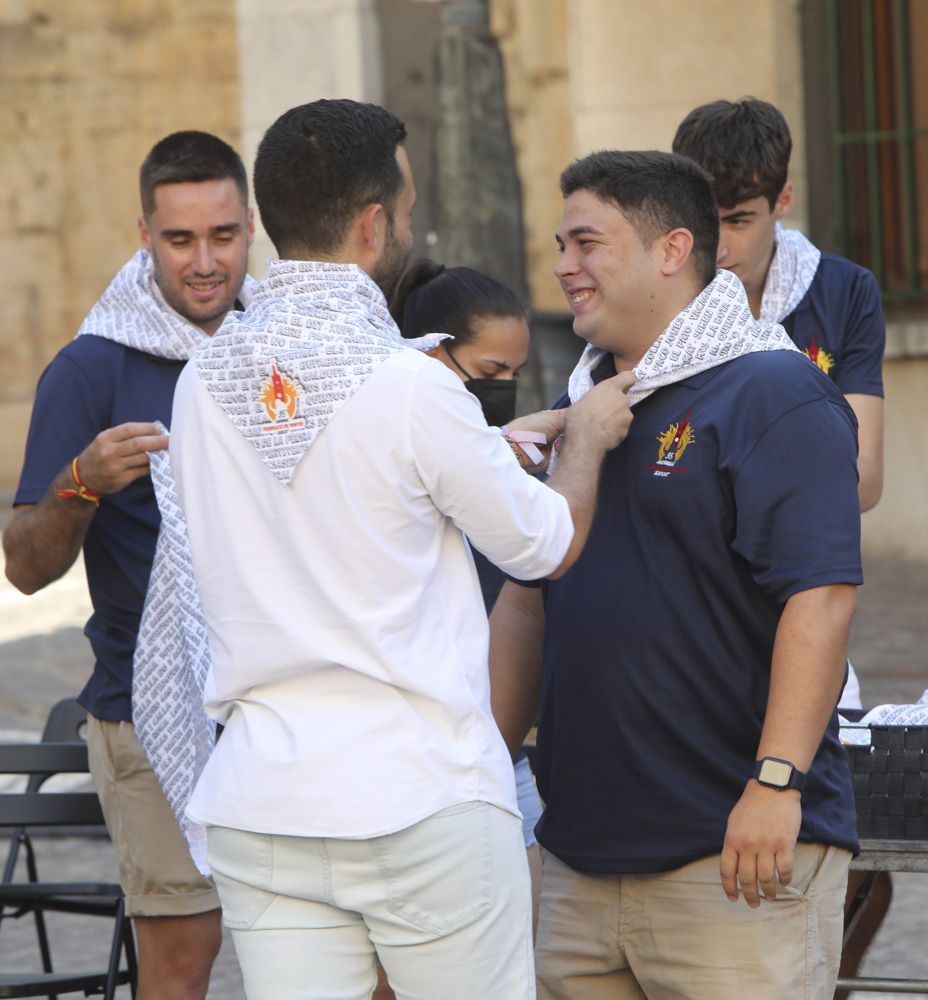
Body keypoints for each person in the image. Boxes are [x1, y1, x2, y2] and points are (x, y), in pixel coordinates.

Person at [159, 99, 634, 1000]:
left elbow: (325, 493)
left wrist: (485, 448)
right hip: (420, 797)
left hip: (267, 800)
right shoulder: (412, 386)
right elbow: (545, 545)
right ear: (373, 224)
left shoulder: (200, 382)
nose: (413, 229)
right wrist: (585, 442)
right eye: (408, 211)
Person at [490, 149, 862, 1000]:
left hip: (732, 857)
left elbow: (824, 594)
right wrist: (480, 772)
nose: (561, 267)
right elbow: (529, 601)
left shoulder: (772, 390)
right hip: (580, 862)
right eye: (559, 244)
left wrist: (775, 785)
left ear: (671, 250)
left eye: (587, 243)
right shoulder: (588, 410)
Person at [3, 130, 255, 1000]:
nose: (204, 261)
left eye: (222, 235)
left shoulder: (286, 347)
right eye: (180, 239)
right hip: (147, 712)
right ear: (143, 234)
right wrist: (81, 482)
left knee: (331, 954)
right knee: (183, 961)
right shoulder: (90, 367)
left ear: (250, 227)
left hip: (280, 703)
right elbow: (24, 570)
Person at [673, 97, 890, 981]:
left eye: (740, 218)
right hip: (690, 614)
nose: (720, 245)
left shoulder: (842, 291)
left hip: (802, 594)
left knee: (855, 864)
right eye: (706, 218)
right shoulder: (663, 288)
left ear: (783, 199)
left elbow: (866, 477)